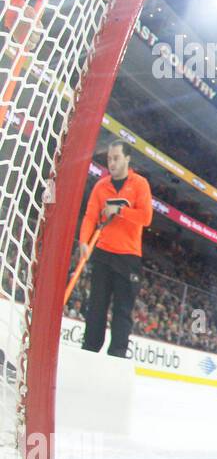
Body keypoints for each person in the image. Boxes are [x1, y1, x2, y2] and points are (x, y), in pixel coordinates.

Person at [78, 139, 153, 358]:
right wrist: (84, 240)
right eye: (109, 158)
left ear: (127, 159)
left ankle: (117, 354)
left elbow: (146, 217)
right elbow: (90, 215)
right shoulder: (101, 186)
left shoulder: (140, 184)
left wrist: (119, 211)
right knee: (96, 306)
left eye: (116, 158)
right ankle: (89, 350)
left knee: (123, 309)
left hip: (128, 256)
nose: (111, 162)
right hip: (102, 253)